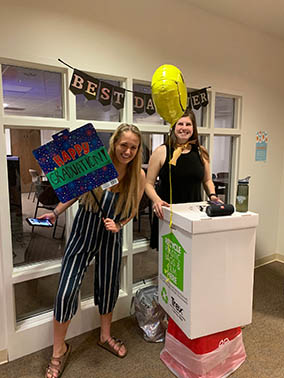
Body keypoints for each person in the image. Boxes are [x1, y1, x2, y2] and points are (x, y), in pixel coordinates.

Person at [41, 124, 146, 378]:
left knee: (108, 287)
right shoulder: (97, 164)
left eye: (133, 147)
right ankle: (59, 351)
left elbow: (133, 209)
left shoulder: (138, 177)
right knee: (66, 291)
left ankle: (105, 336)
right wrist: (55, 213)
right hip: (84, 230)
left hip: (111, 235)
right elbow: (75, 193)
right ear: (115, 143)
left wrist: (119, 224)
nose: (128, 151)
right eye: (124, 145)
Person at [145, 109, 219, 249]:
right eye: (180, 124)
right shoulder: (162, 151)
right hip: (168, 214)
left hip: (194, 214)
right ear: (173, 127)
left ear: (193, 128)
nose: (184, 128)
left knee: (191, 253)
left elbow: (207, 180)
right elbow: (148, 184)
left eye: (188, 124)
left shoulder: (201, 152)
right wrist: (157, 200)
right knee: (170, 258)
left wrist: (213, 195)